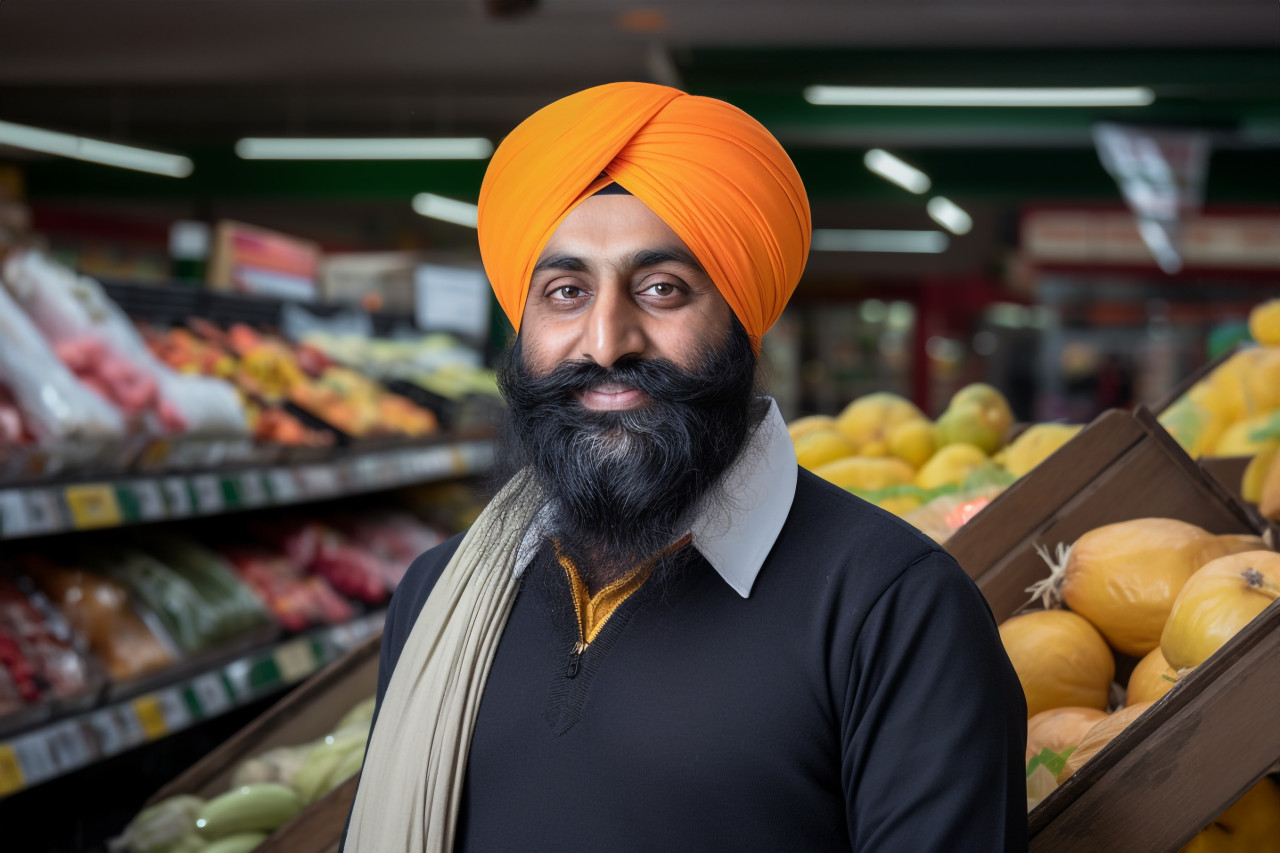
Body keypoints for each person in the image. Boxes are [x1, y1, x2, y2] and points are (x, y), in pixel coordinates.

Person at [344, 81, 1027, 853]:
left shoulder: (895, 608)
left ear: (743, 317)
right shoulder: (440, 596)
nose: (606, 341)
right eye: (565, 291)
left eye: (661, 288)